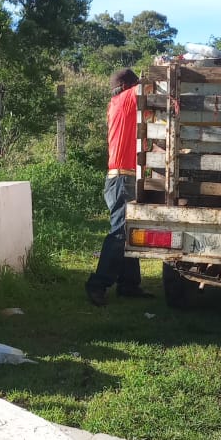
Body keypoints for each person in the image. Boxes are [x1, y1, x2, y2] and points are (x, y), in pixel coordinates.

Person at [85, 68, 153, 306]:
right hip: (123, 179)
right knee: (120, 233)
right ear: (128, 86)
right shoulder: (125, 100)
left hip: (120, 178)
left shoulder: (117, 104)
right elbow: (147, 86)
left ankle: (129, 284)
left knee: (128, 229)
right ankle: (98, 284)